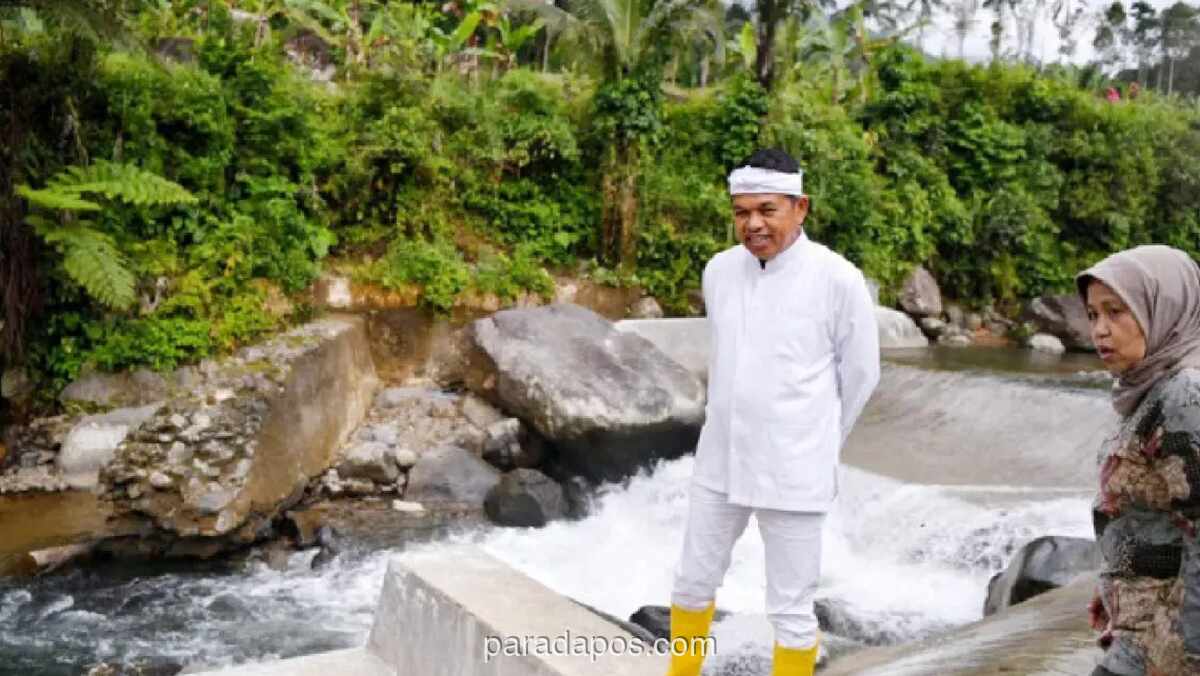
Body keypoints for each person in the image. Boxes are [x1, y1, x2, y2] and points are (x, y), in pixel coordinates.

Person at [665, 148, 880, 676]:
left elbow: (861, 376)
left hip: (795, 469)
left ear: (800, 207)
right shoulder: (719, 271)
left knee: (790, 608)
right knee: (693, 583)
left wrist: (815, 439)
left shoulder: (837, 278)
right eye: (742, 212)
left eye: (767, 210)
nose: (753, 224)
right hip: (719, 460)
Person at [1078, 245, 1200, 676]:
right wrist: (1113, 580)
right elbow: (1153, 514)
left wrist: (1183, 652)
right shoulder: (1148, 389)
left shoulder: (1184, 397)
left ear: (1162, 308)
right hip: (1136, 631)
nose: (1100, 331)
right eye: (1093, 315)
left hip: (1163, 646)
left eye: (1116, 312)